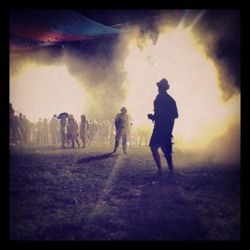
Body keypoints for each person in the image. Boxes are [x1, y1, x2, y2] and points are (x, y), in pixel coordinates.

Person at [148, 78, 178, 177]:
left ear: (161, 88)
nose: (158, 88)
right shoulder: (171, 99)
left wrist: (152, 117)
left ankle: (161, 169)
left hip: (160, 127)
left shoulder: (160, 99)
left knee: (153, 146)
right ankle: (170, 168)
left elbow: (160, 115)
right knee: (166, 149)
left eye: (159, 86)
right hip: (167, 128)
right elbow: (175, 115)